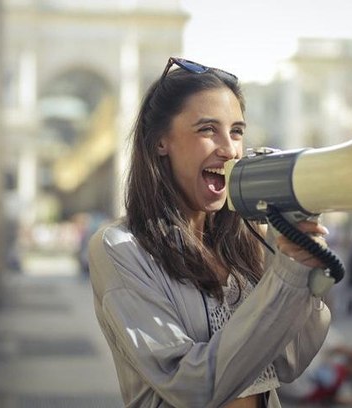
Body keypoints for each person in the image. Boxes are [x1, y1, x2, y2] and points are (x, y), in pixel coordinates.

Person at [88, 57, 333, 408]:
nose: (229, 148)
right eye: (207, 130)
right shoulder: (120, 248)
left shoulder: (249, 237)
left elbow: (287, 361)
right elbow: (190, 386)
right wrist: (284, 276)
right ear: (160, 142)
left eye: (236, 131)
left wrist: (302, 271)